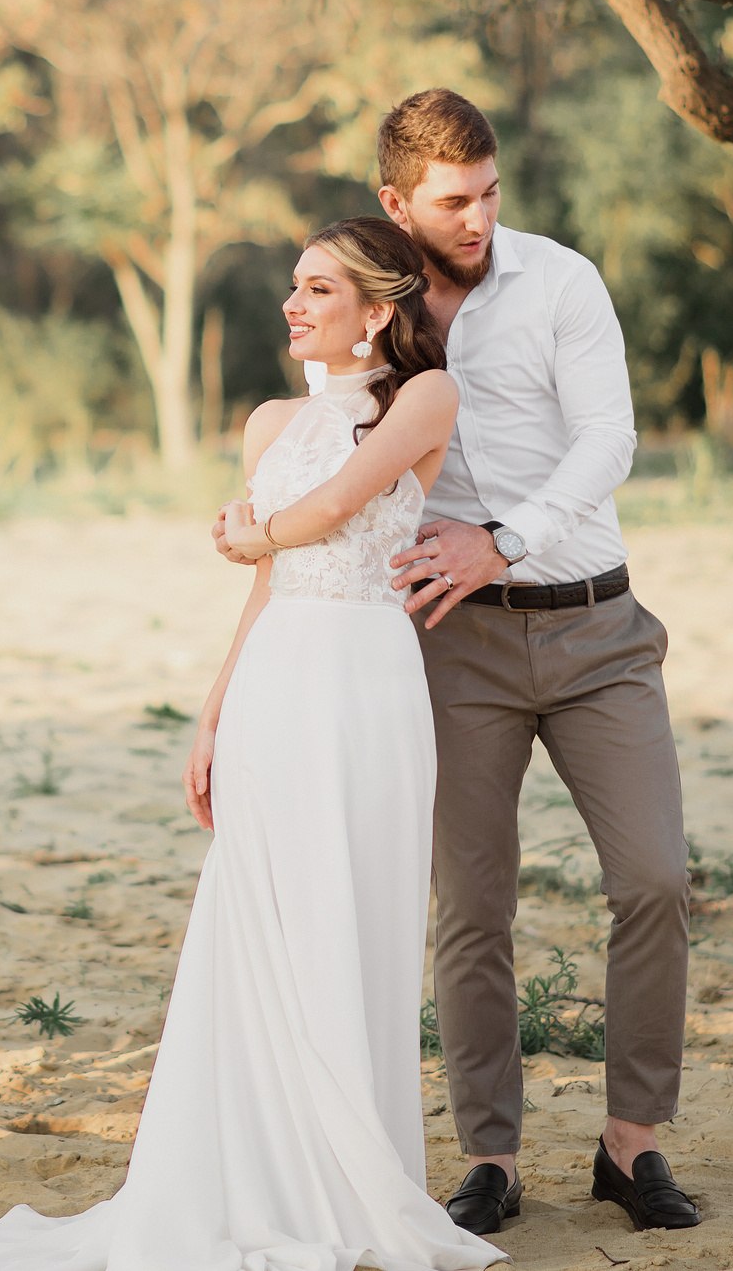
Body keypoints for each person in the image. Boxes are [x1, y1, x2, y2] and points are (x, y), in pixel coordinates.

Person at [0, 218, 502, 1271]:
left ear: (378, 309)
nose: (292, 305)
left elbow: (335, 505)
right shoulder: (268, 421)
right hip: (278, 683)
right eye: (291, 287)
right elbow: (263, 584)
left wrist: (255, 528)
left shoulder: (426, 398)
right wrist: (213, 711)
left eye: (317, 288)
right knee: (263, 921)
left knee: (359, 918)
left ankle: (355, 1182)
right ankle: (262, 1173)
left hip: (368, 687)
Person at [222, 89, 699, 1238]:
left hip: (594, 624)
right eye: (452, 200)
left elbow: (610, 438)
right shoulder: (373, 319)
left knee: (653, 879)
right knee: (470, 905)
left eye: (489, 192)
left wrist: (505, 538)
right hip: (450, 642)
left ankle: (631, 1142)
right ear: (397, 201)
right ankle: (489, 1153)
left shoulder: (561, 281)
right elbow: (329, 456)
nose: (480, 216)